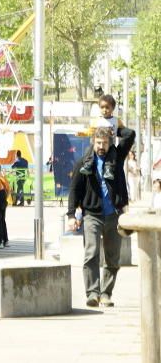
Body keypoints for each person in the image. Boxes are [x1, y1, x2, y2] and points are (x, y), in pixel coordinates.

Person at [67, 125, 136, 308]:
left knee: (112, 257)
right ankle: (92, 293)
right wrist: (71, 215)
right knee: (91, 254)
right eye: (98, 142)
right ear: (93, 142)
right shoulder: (84, 163)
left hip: (114, 215)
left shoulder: (117, 158)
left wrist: (116, 129)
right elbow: (74, 190)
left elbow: (130, 135)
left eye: (105, 143)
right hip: (92, 215)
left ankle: (106, 293)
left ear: (110, 143)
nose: (101, 146)